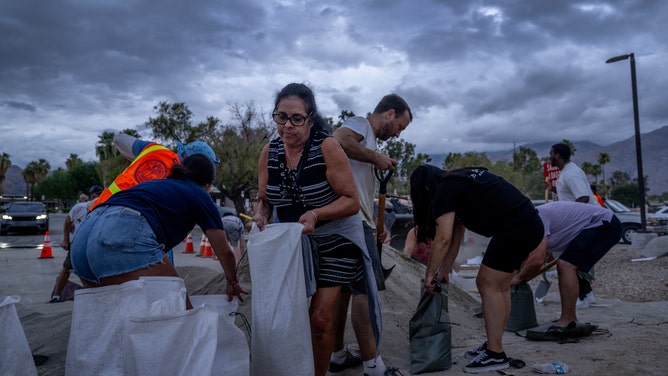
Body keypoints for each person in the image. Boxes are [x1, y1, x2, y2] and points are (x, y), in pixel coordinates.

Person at [253, 83, 374, 376]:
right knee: (286, 316)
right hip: (295, 241)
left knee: (319, 318)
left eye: (296, 118)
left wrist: (316, 214)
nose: (287, 125)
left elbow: (351, 202)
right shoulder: (269, 152)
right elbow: (264, 199)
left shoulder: (327, 147)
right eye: (281, 117)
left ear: (310, 118)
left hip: (337, 237)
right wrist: (260, 215)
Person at [410, 165, 544, 374]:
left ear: (423, 188)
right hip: (528, 223)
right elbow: (455, 235)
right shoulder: (457, 182)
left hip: (516, 226)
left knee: (486, 283)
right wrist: (443, 271)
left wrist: (429, 274)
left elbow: (442, 238)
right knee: (500, 287)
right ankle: (494, 345)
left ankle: (495, 354)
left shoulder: (443, 189)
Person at [70, 154, 246, 307]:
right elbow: (224, 251)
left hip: (82, 238)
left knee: (116, 321)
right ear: (208, 184)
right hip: (120, 234)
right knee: (180, 316)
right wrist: (232, 280)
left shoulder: (156, 185)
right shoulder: (199, 193)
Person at [331, 94, 412, 376]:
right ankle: (373, 366)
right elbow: (338, 140)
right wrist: (376, 157)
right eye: (400, 126)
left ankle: (338, 354)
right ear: (389, 114)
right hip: (353, 221)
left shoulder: (369, 138)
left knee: (342, 292)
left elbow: (361, 183)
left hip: (354, 219)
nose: (399, 133)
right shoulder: (360, 125)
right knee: (364, 291)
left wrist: (377, 221)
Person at [512, 201, 621, 329]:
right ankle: (568, 318)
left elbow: (536, 260)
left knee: (566, 265)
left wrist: (518, 278)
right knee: (565, 264)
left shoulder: (535, 220)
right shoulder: (524, 226)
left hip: (603, 223)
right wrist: (517, 272)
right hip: (592, 225)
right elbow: (529, 258)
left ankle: (568, 320)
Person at [547, 143, 599, 308]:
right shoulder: (566, 172)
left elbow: (583, 197)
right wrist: (554, 189)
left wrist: (571, 220)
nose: (549, 157)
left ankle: (581, 297)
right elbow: (570, 194)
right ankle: (588, 293)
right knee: (573, 257)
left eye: (551, 153)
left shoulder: (572, 174)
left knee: (569, 259)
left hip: (581, 222)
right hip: (577, 221)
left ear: (557, 155)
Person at [49, 186, 102, 303]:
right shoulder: (80, 207)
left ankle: (92, 293)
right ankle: (56, 296)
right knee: (68, 267)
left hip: (91, 243)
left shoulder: (101, 207)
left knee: (85, 269)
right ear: (92, 195)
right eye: (97, 193)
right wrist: (66, 240)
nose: (97, 195)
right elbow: (67, 222)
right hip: (81, 242)